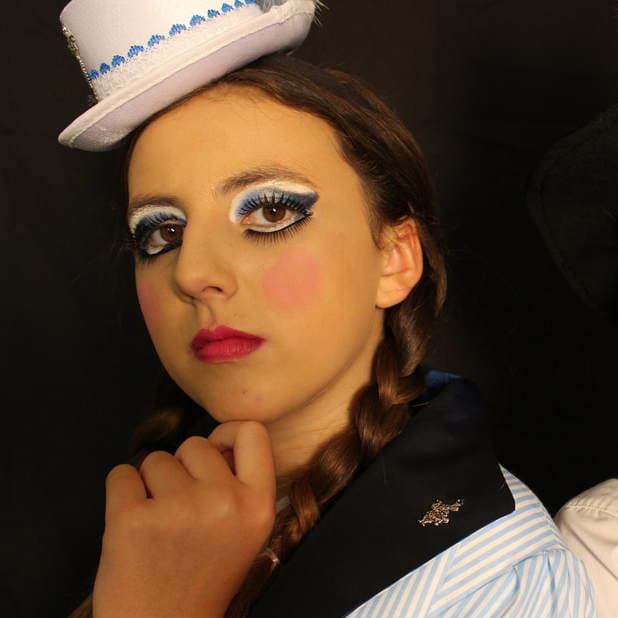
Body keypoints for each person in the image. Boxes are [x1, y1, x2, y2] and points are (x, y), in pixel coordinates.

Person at [59, 1, 596, 616]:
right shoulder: (162, 513)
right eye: (162, 232)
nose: (193, 273)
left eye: (270, 212)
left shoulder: (498, 586)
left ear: (395, 259)